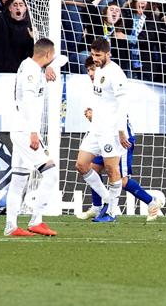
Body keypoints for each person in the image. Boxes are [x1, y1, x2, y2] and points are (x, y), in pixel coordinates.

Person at [77, 57, 163, 221]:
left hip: (119, 135)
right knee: (92, 168)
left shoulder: (112, 79)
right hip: (102, 134)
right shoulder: (98, 88)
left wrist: (103, 120)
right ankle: (97, 207)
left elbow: (120, 109)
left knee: (120, 179)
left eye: (92, 69)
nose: (90, 73)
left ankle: (151, 202)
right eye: (88, 70)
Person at [4, 38, 60, 237]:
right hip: (26, 130)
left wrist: (49, 66)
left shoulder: (28, 65)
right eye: (51, 56)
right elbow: (28, 101)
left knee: (19, 179)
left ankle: (11, 226)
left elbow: (59, 59)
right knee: (51, 173)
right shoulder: (31, 71)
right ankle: (36, 220)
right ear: (46, 55)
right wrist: (34, 132)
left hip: (19, 128)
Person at [73, 38, 132, 223]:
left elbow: (123, 103)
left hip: (111, 129)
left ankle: (112, 212)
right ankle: (107, 199)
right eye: (92, 54)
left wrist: (122, 130)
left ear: (108, 54)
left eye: (98, 55)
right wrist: (91, 108)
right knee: (81, 165)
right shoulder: (98, 71)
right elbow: (98, 96)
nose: (95, 58)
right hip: (96, 128)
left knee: (111, 169)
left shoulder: (116, 74)